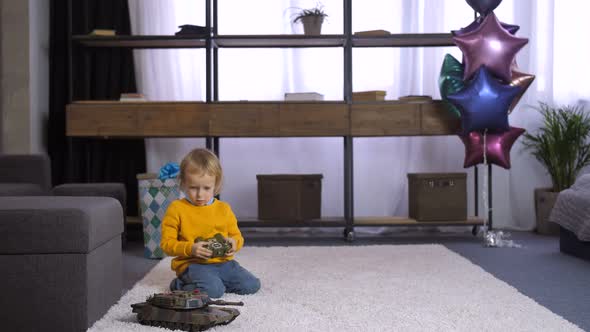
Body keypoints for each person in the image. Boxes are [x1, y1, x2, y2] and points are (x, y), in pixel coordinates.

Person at [160, 148, 260, 298]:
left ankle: (214, 281)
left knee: (251, 285)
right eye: (193, 188)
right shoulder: (177, 209)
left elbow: (236, 236)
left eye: (207, 188)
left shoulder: (224, 209)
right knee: (214, 291)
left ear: (216, 184)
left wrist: (234, 243)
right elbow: (166, 244)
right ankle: (179, 285)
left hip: (223, 263)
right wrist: (190, 248)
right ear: (184, 183)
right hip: (193, 265)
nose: (200, 194)